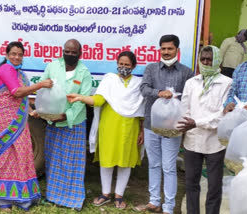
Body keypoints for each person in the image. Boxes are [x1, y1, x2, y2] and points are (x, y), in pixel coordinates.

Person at [67, 51, 145, 210]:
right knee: (107, 161)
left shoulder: (138, 84)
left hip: (130, 129)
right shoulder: (109, 79)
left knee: (125, 163)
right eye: (121, 64)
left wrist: (142, 131)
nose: (123, 67)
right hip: (109, 127)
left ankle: (119, 196)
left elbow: (142, 111)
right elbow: (98, 100)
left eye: (127, 65)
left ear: (134, 66)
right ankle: (105, 194)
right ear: (117, 64)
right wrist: (81, 98)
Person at [134, 34, 193, 214]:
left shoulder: (186, 72)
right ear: (159, 50)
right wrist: (159, 92)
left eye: (170, 49)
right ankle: (154, 201)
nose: (166, 52)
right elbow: (143, 89)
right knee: (153, 164)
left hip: (173, 127)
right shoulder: (151, 69)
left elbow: (190, 97)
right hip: (152, 124)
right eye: (163, 49)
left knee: (168, 166)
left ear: (177, 50)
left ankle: (168, 206)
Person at [0, 42, 52, 210]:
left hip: (17, 120)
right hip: (4, 121)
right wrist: (41, 84)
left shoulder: (19, 73)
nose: (16, 57)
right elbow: (17, 92)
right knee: (5, 155)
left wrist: (32, 111)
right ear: (6, 55)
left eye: (20, 54)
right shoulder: (6, 69)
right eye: (13, 54)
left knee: (19, 154)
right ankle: (1, 198)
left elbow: (22, 98)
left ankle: (15, 196)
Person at [177, 45, 232, 214]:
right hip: (192, 141)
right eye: (203, 59)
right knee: (191, 183)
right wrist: (184, 127)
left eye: (210, 59)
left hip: (215, 142)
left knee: (214, 186)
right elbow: (184, 109)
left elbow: (223, 115)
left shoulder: (227, 83)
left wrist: (197, 122)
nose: (206, 62)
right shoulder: (191, 83)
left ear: (218, 61)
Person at [38, 39, 92, 210]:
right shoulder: (53, 66)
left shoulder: (84, 73)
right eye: (67, 51)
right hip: (52, 120)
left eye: (73, 52)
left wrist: (66, 116)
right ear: (63, 51)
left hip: (73, 123)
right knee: (53, 159)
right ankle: (53, 196)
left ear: (80, 53)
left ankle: (72, 199)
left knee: (72, 162)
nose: (69, 54)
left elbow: (82, 100)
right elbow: (42, 86)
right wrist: (44, 109)